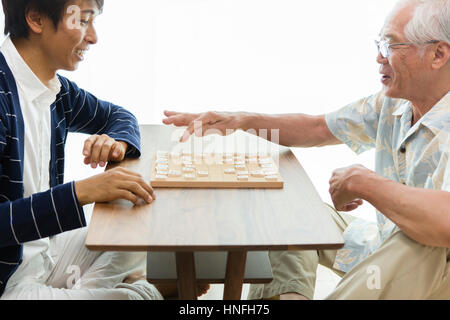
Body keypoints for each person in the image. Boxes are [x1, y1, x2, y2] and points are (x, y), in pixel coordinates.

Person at [163, 0, 450, 299]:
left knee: (419, 238)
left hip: (433, 269)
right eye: (379, 44)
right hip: (383, 244)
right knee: (289, 212)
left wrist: (362, 182)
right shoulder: (393, 103)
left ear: (438, 54)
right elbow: (318, 128)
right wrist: (240, 120)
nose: (380, 57)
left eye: (392, 45)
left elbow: (445, 222)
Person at [0, 0, 164, 300]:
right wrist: (80, 192)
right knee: (130, 296)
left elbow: (119, 116)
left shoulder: (56, 90)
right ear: (36, 19)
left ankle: (99, 291)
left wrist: (117, 143)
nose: (93, 37)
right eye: (84, 21)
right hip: (7, 282)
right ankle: (135, 290)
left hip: (43, 256)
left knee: (138, 221)